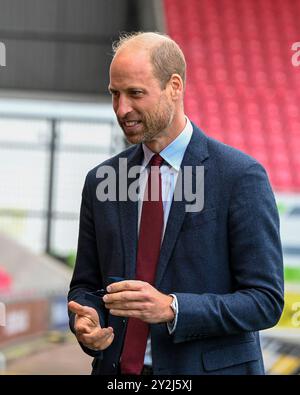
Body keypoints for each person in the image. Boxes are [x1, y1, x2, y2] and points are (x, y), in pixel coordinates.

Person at [68, 32, 284, 375]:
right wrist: (87, 319)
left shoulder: (240, 177)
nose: (122, 109)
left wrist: (173, 308)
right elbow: (86, 285)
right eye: (115, 94)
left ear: (174, 86)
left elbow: (265, 302)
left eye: (135, 93)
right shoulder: (101, 181)